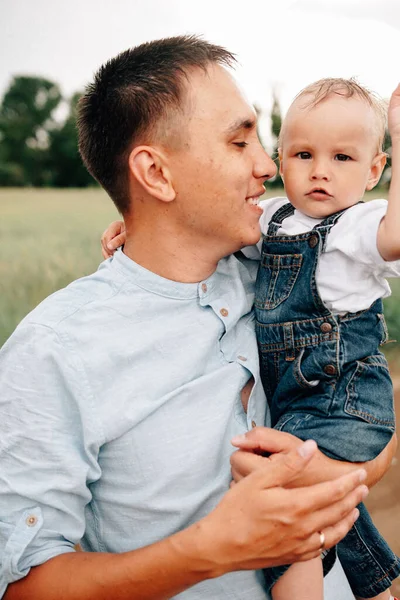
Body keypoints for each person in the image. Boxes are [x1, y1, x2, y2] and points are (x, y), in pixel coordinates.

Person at [0, 37, 394, 600]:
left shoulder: (281, 278)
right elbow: (26, 588)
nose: (267, 166)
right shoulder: (55, 349)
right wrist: (210, 551)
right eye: (239, 142)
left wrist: (337, 462)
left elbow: (375, 441)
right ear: (156, 174)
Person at [102, 77, 400, 600]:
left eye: (344, 159)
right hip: (298, 398)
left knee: (277, 495)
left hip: (344, 397)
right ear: (281, 159)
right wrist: (133, 224)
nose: (321, 171)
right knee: (317, 502)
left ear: (375, 171)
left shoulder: (360, 224)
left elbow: (395, 240)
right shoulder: (274, 218)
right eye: (304, 154)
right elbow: (193, 225)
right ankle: (377, 587)